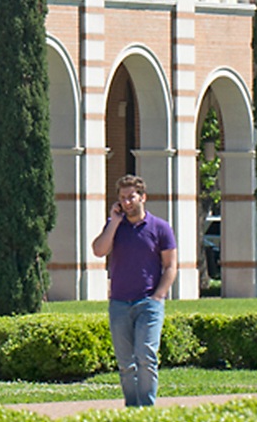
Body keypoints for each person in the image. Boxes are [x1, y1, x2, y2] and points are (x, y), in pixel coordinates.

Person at [91, 174, 177, 408]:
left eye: (131, 197)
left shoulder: (160, 228)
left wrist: (158, 296)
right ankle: (132, 408)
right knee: (125, 363)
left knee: (146, 357)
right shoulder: (115, 227)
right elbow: (99, 251)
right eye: (122, 198)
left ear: (143, 197)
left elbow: (170, 265)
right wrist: (114, 222)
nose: (127, 202)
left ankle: (146, 409)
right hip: (119, 303)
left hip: (148, 303)